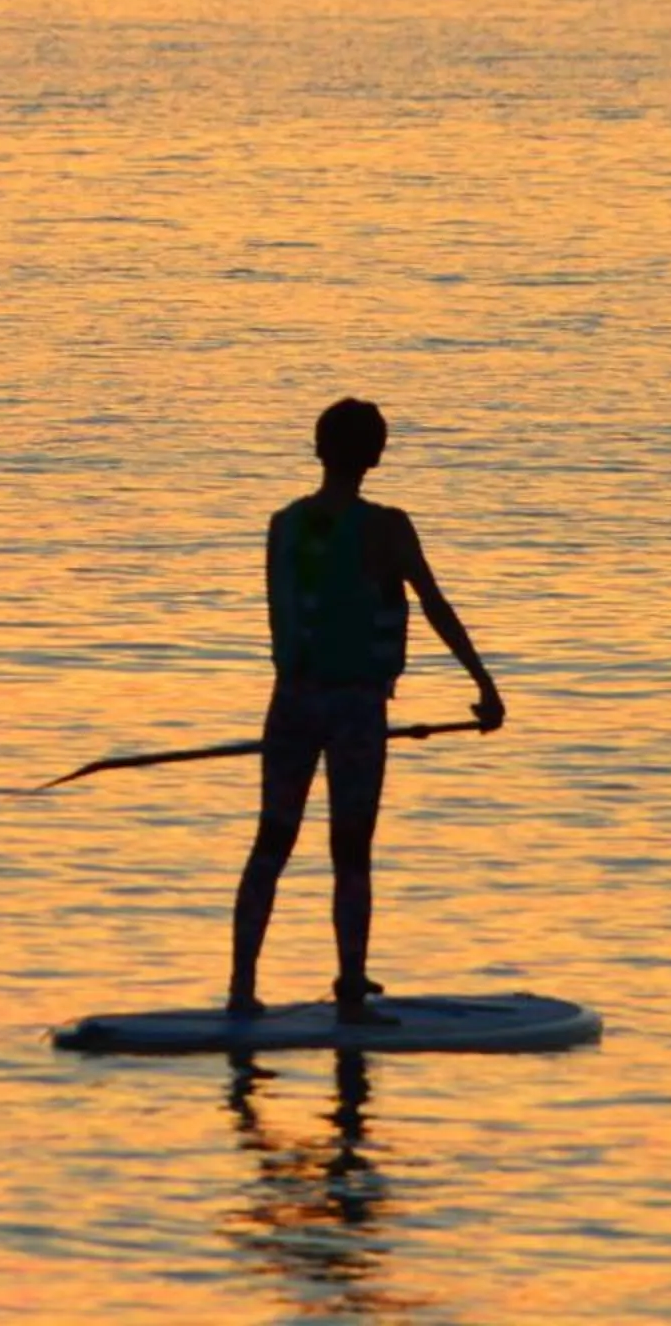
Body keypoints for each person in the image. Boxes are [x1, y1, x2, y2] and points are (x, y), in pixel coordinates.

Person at [229, 398, 503, 1023]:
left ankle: (241, 989)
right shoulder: (387, 527)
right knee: (350, 848)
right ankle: (350, 988)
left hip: (291, 704)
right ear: (375, 456)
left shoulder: (284, 523)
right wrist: (485, 686)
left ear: (318, 449)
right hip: (354, 707)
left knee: (272, 841)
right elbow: (435, 606)